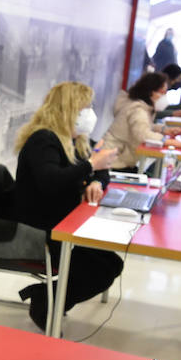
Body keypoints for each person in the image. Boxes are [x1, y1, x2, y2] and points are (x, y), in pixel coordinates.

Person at [12, 82, 121, 330]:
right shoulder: (43, 139)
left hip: (65, 222)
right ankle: (46, 301)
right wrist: (91, 166)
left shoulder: (76, 140)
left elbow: (101, 169)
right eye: (85, 108)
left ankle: (49, 298)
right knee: (102, 268)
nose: (89, 113)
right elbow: (51, 182)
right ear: (69, 109)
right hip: (41, 229)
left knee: (111, 263)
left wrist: (95, 181)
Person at [101, 72, 167, 171]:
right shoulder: (138, 110)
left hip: (115, 158)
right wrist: (165, 140)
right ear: (151, 92)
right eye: (162, 92)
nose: (164, 96)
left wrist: (162, 129)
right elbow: (143, 135)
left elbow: (142, 125)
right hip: (114, 162)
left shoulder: (137, 105)